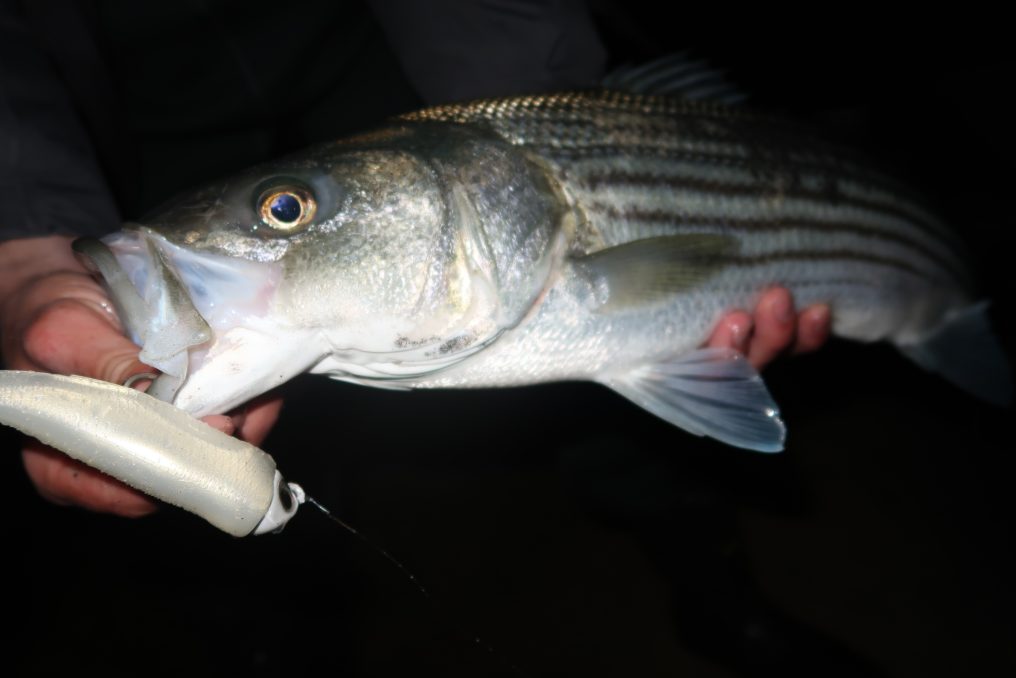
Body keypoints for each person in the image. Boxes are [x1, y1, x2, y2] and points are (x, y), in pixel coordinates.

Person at [0, 0, 829, 519]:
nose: (284, 217)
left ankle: (694, 550)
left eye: (286, 213)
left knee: (620, 455)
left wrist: (554, 101)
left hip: (378, 49)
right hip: (128, 98)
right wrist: (21, 236)